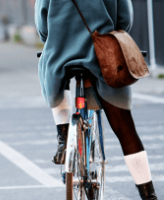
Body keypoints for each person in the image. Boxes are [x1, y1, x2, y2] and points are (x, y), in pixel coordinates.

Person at [34, 0, 158, 199]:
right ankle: (148, 194)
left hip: (60, 51)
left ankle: (63, 139)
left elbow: (42, 25)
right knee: (125, 129)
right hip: (100, 53)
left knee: (52, 76)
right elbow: (124, 19)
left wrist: (57, 37)